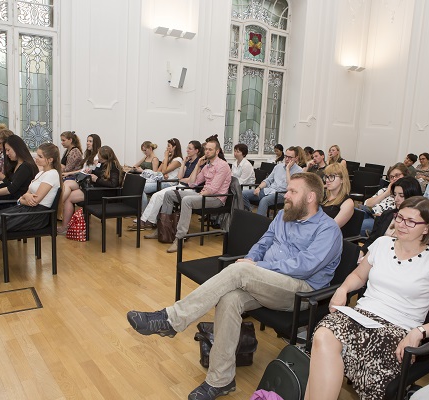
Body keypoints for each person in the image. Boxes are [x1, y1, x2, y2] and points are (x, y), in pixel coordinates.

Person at [127, 173, 343, 400]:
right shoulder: (284, 216)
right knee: (229, 299)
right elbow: (263, 243)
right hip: (268, 281)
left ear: (310, 197)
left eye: (292, 192)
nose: (286, 195)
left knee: (240, 271)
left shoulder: (327, 230)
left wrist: (256, 267)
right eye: (287, 190)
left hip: (301, 291)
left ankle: (171, 319)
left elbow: (304, 266)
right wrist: (251, 260)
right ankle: (220, 380)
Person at [307, 196, 429, 400]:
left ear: (426, 228)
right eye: (399, 218)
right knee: (323, 334)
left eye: (411, 221)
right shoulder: (382, 244)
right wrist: (343, 289)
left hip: (397, 329)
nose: (401, 225)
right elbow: (358, 276)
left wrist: (420, 331)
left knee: (324, 351)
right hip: (361, 315)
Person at [0, 143, 63, 270]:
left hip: (37, 215)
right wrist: (25, 198)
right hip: (26, 209)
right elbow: (26, 195)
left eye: (40, 156)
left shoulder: (52, 174)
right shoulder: (40, 173)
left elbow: (35, 201)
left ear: (50, 160)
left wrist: (25, 198)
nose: (36, 158)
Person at [150, 138, 231, 253]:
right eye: (206, 149)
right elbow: (193, 182)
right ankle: (163, 230)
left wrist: (201, 194)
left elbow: (213, 189)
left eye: (210, 149)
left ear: (217, 151)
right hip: (204, 194)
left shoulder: (223, 166)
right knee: (169, 194)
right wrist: (198, 166)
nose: (207, 151)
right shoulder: (207, 165)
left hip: (216, 198)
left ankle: (179, 238)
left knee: (187, 200)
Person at [129, 140, 203, 231]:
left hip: (188, 188)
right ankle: (146, 220)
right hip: (180, 185)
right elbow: (179, 176)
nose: (187, 150)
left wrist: (182, 178)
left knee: (159, 196)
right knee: (156, 195)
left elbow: (191, 180)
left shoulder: (199, 163)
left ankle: (147, 221)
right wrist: (184, 163)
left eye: (190, 149)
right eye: (187, 148)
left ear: (196, 151)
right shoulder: (188, 161)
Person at [58, 146, 123, 234]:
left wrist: (97, 180)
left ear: (103, 156)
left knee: (69, 198)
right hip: (95, 188)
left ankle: (63, 224)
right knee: (68, 183)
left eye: (99, 154)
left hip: (102, 193)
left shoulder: (113, 166)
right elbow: (99, 174)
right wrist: (91, 172)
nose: (97, 156)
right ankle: (59, 210)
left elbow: (113, 184)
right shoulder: (102, 163)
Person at [359, 176, 423, 259]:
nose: (396, 199)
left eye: (401, 195)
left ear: (413, 196)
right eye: (395, 195)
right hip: (376, 256)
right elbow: (372, 240)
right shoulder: (387, 215)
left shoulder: (419, 222)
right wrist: (361, 252)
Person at [242, 146, 303, 216]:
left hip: (282, 194)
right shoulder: (278, 167)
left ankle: (259, 224)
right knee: (243, 194)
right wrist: (259, 188)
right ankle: (250, 215)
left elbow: (290, 187)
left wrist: (287, 169)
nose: (286, 159)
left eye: (290, 157)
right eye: (286, 156)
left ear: (296, 158)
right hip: (269, 190)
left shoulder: (299, 171)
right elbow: (268, 180)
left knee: (264, 201)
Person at [360, 163, 409, 236]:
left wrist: (383, 216)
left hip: (382, 221)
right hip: (370, 214)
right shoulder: (384, 190)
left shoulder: (407, 193)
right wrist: (387, 193)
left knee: (362, 225)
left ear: (405, 175)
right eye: (392, 177)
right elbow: (367, 204)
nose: (394, 178)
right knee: (354, 217)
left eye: (397, 175)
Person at [60, 134, 102, 208]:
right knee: (65, 182)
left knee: (67, 184)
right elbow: (82, 170)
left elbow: (92, 171)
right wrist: (68, 173)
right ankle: (59, 207)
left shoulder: (97, 157)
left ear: (96, 143)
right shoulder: (89, 155)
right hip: (82, 178)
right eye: (87, 141)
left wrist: (68, 173)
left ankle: (57, 206)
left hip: (87, 181)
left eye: (90, 141)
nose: (87, 143)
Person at [141, 138, 183, 209]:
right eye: (167, 146)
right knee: (140, 186)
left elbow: (164, 171)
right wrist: (164, 170)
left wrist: (166, 158)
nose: (167, 148)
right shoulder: (168, 158)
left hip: (170, 183)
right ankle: (145, 211)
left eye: (169, 146)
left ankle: (144, 212)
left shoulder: (178, 160)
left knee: (141, 188)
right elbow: (158, 171)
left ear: (175, 147)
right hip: (162, 180)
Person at [321, 163, 354, 228]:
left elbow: (332, 228)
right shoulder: (323, 195)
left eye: (331, 177)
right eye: (326, 177)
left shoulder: (347, 203)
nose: (327, 180)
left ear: (342, 179)